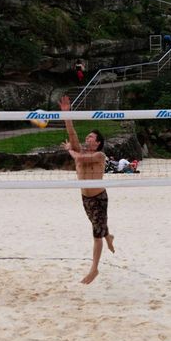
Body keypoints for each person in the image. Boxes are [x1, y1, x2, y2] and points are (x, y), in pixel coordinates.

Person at [60, 94, 115, 284]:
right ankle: (109, 235)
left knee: (95, 235)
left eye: (91, 137)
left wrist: (70, 150)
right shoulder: (80, 149)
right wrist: (66, 113)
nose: (87, 138)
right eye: (88, 136)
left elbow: (80, 159)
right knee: (96, 226)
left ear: (98, 142)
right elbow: (72, 131)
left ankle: (94, 269)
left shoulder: (100, 155)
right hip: (85, 198)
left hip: (99, 197)